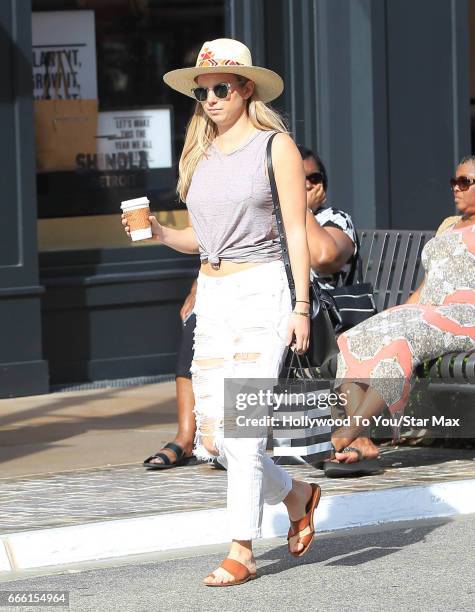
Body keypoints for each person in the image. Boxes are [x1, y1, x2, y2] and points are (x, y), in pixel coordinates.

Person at [122, 38, 321, 586]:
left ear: (246, 89)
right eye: (202, 90)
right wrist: (161, 233)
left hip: (262, 293)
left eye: (220, 88)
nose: (209, 98)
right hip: (213, 297)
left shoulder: (273, 146)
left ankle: (241, 549)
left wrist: (301, 305)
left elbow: (298, 233)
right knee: (213, 440)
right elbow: (204, 238)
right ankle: (299, 495)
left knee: (243, 430)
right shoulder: (201, 154)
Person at [329, 156, 475, 468]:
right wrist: (397, 315)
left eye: (465, 183)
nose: (456, 189)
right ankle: (363, 441)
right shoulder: (448, 225)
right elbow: (428, 283)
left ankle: (352, 428)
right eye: (454, 181)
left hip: (466, 316)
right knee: (356, 337)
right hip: (430, 313)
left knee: (403, 340)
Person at [142, 280, 197, 469]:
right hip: (224, 281)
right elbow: (207, 254)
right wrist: (197, 288)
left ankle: (241, 440)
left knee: (246, 337)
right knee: (195, 324)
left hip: (272, 286)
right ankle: (185, 438)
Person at [298, 145, 357, 289]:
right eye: (298, 178)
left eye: (314, 178)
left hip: (322, 308)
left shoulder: (335, 218)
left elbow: (324, 258)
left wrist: (303, 209)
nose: (307, 185)